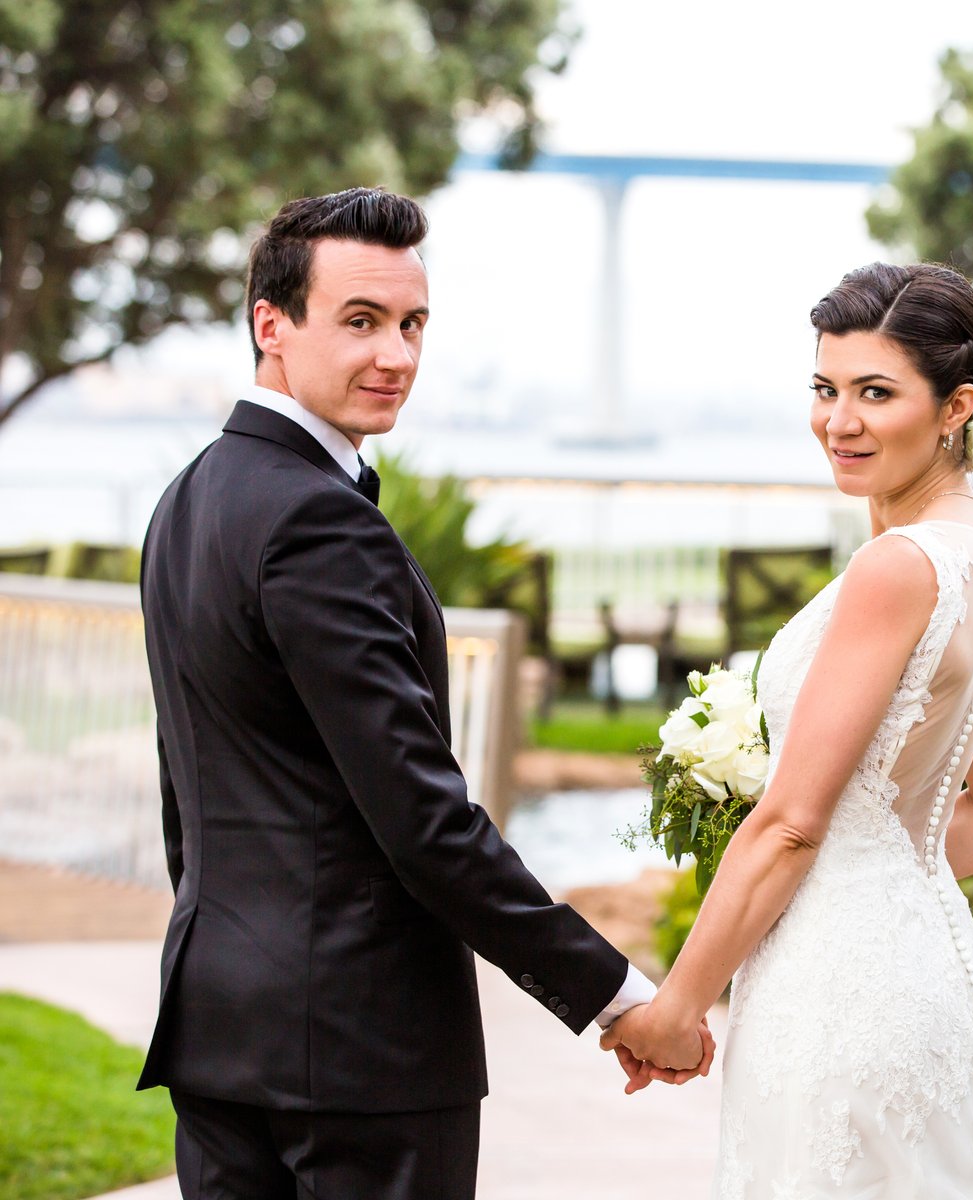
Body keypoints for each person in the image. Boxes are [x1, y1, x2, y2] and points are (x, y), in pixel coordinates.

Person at [136, 187, 710, 1200]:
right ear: (273, 325)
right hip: (360, 1052)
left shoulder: (190, 498)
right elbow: (425, 824)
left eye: (412, 325)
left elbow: (194, 790)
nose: (396, 355)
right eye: (360, 322)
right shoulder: (321, 524)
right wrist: (617, 996)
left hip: (220, 1025)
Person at [604, 262, 973, 1197]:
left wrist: (677, 1005)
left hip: (842, 997)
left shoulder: (898, 567)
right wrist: (869, 882)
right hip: (930, 974)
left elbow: (794, 823)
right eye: (825, 389)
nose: (838, 422)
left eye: (876, 393)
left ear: (955, 406)